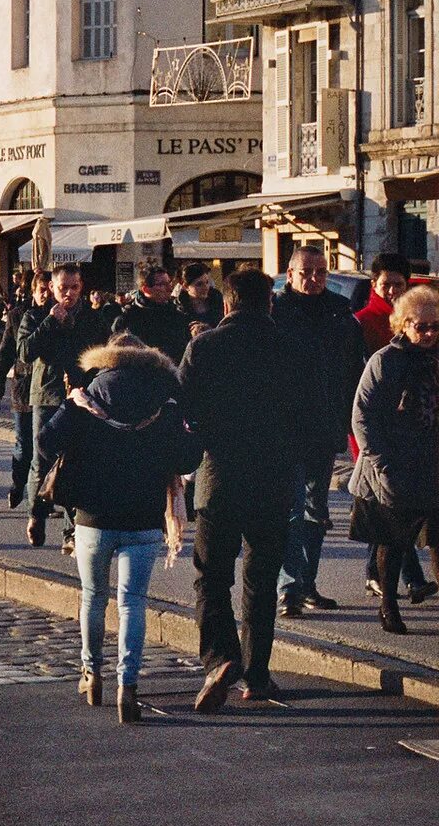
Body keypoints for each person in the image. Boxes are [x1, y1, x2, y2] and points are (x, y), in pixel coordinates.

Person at [37, 342, 203, 723]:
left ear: (104, 362)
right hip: (144, 518)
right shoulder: (164, 402)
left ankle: (91, 674)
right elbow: (187, 458)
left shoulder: (85, 398)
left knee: (93, 598)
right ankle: (127, 685)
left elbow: (45, 443)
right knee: (132, 603)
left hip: (92, 517)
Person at [178, 267, 314, 710]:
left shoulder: (204, 346)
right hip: (274, 479)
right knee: (260, 578)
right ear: (269, 302)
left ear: (227, 304)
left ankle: (219, 659)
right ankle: (256, 675)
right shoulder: (293, 347)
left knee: (211, 576)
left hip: (218, 477)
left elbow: (185, 412)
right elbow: (312, 413)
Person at [270, 244, 368, 617]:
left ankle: (307, 583)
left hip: (324, 428)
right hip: (286, 429)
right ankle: (289, 588)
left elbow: (353, 374)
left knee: (317, 511)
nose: (313, 279)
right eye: (306, 273)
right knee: (292, 510)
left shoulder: (340, 313)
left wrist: (347, 420)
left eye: (320, 272)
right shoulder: (276, 313)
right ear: (291, 274)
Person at [349, 284, 439, 634]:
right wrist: (382, 464)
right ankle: (388, 605)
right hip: (393, 464)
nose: (430, 333)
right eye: (422, 326)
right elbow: (363, 416)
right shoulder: (386, 360)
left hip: (431, 461)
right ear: (403, 325)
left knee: (436, 537)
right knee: (393, 540)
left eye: (436, 326)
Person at [24, 262, 114, 550]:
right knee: (42, 460)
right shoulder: (36, 315)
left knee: (75, 461)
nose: (69, 294)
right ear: (52, 287)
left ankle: (71, 531)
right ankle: (36, 514)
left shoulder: (92, 318)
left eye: (75, 288)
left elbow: (103, 354)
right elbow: (25, 353)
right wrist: (50, 321)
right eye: (63, 288)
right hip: (47, 394)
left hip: (80, 397)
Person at [0, 272, 48, 508]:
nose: (46, 293)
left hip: (47, 391)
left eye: (49, 288)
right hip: (23, 388)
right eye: (41, 289)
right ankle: (18, 483)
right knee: (24, 447)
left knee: (45, 447)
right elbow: (6, 353)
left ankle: (44, 497)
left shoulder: (62, 316)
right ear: (33, 291)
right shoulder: (17, 316)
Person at [112, 265, 191, 364]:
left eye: (169, 283)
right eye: (162, 284)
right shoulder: (128, 319)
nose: (169, 288)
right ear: (146, 289)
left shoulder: (177, 314)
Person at [177, 263, 223, 337]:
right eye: (199, 284)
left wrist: (209, 330)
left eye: (207, 282)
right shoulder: (178, 308)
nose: (205, 287)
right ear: (186, 286)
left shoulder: (218, 301)